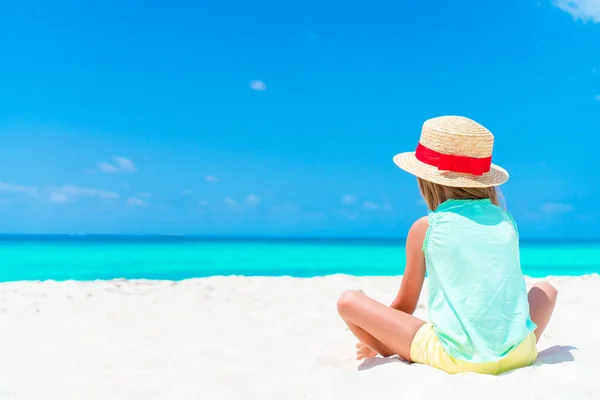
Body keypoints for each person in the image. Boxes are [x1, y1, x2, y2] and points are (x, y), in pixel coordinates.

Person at [337, 116, 558, 375]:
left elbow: (405, 305)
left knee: (348, 301)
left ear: (425, 180)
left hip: (457, 359)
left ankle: (384, 349)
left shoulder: (426, 227)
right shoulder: (505, 220)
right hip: (521, 352)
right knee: (546, 288)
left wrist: (375, 336)